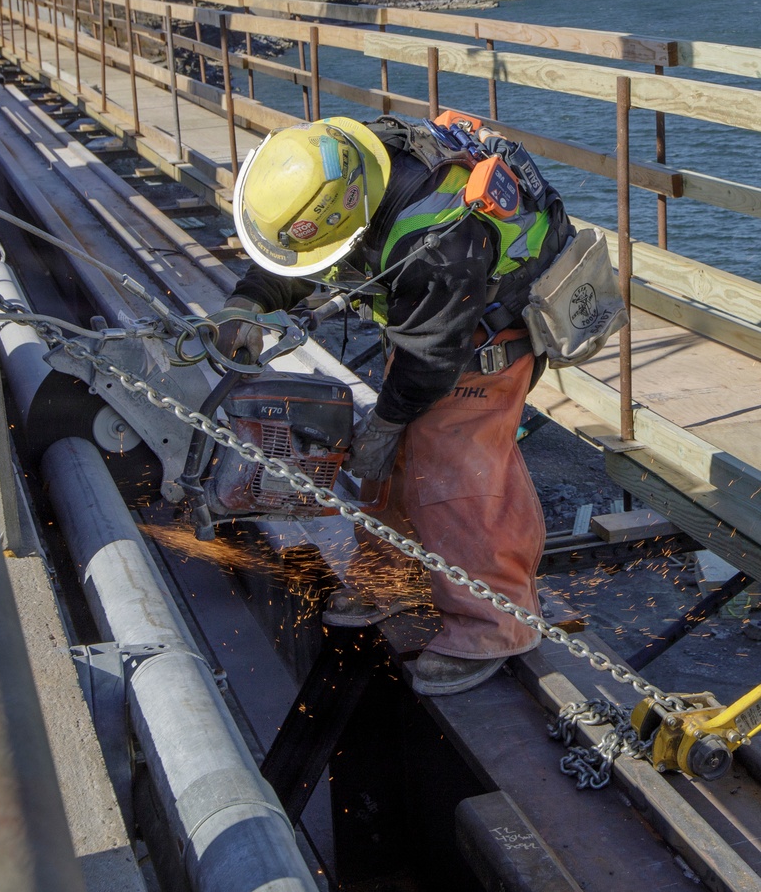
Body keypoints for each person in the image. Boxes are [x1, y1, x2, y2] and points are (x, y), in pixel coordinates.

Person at [218, 113, 573, 695]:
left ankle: (498, 621)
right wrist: (248, 300)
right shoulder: (344, 165)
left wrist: (386, 421)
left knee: (451, 468)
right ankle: (392, 578)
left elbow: (431, 356)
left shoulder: (437, 236)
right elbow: (306, 251)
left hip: (484, 339)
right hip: (428, 322)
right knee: (386, 462)